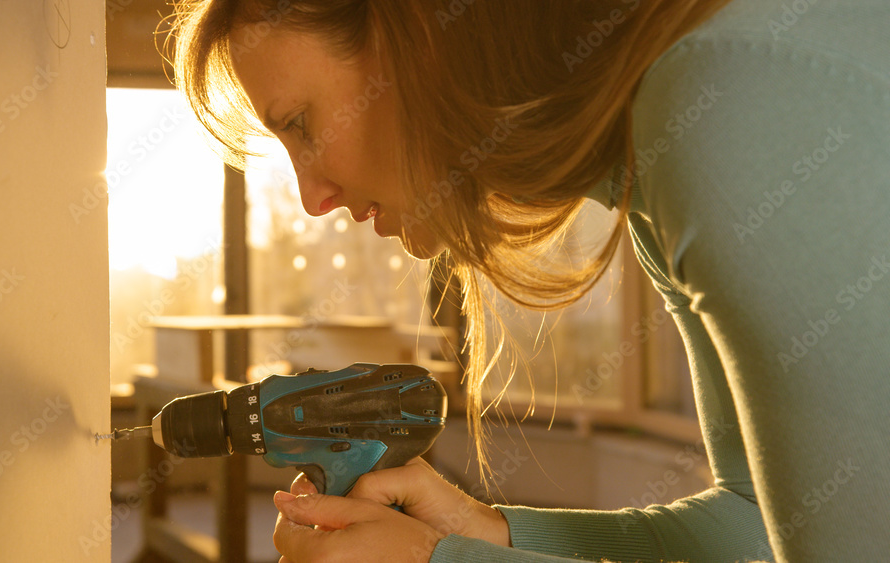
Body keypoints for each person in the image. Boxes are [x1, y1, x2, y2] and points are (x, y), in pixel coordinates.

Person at [168, 0, 890, 561]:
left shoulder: (737, 112)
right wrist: (484, 534)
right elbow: (756, 523)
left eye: (300, 122)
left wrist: (440, 561)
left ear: (413, 33)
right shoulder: (652, 160)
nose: (311, 196)